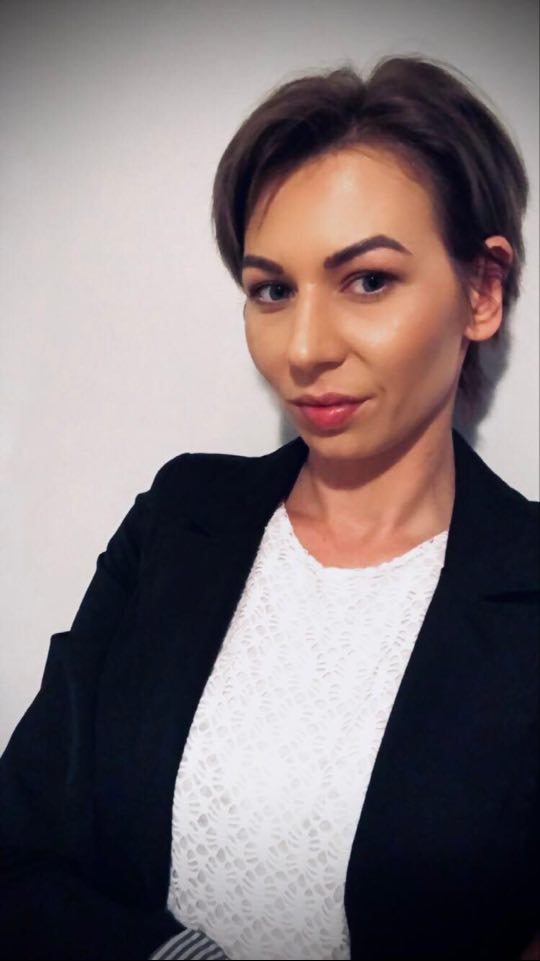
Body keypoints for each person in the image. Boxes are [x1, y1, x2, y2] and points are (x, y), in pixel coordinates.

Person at [1, 54, 538, 961]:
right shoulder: (178, 520)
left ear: (481, 290)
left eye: (368, 279)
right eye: (272, 290)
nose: (304, 348)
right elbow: (20, 849)